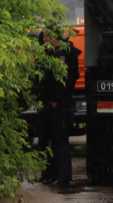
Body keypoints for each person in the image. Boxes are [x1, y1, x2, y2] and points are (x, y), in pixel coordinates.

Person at [34, 29, 81, 187]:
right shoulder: (53, 52)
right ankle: (51, 174)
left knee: (60, 140)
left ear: (51, 36)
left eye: (45, 36)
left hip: (59, 102)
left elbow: (63, 79)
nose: (43, 39)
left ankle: (63, 176)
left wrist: (55, 98)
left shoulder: (63, 54)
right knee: (49, 139)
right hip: (51, 101)